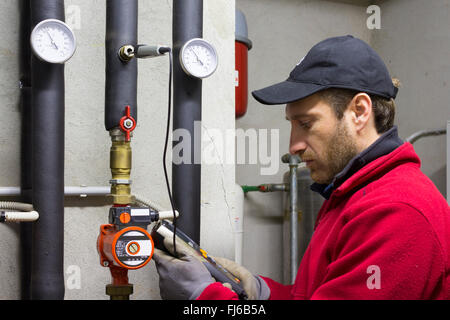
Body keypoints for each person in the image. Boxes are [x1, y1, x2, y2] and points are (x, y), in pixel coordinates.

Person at [153, 35, 450, 300]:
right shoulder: (348, 195)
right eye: (292, 125)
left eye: (306, 124)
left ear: (359, 112)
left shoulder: (395, 211)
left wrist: (204, 297)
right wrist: (261, 291)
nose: (293, 146)